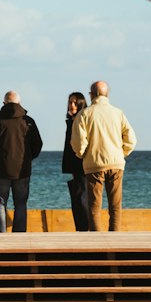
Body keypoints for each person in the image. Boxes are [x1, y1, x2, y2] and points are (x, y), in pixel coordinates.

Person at [69, 79, 137, 232]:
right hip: (116, 164)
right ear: (107, 94)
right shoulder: (118, 113)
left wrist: (83, 155)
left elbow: (78, 142)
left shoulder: (84, 114)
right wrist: (121, 153)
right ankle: (115, 238)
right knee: (115, 206)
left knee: (94, 207)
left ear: (91, 94)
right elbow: (131, 139)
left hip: (94, 164)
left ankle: (98, 241)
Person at [0, 90, 43, 233]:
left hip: (0, 169)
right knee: (21, 204)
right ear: (19, 103)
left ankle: (0, 237)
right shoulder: (28, 122)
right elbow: (38, 144)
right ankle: (19, 236)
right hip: (22, 169)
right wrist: (28, 158)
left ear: (4, 103)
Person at [61, 91, 89, 231]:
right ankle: (81, 228)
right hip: (75, 166)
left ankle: (85, 229)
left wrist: (80, 158)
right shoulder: (72, 120)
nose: (71, 105)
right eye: (70, 102)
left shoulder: (81, 119)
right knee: (77, 197)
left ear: (81, 103)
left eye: (74, 102)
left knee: (82, 197)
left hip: (81, 165)